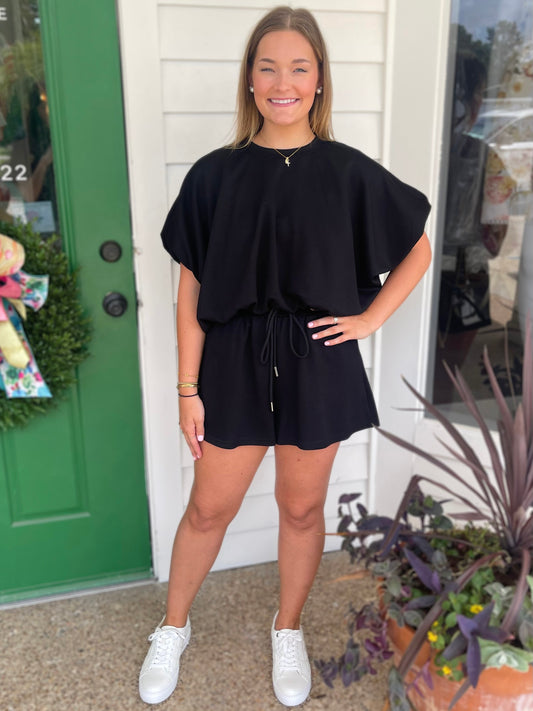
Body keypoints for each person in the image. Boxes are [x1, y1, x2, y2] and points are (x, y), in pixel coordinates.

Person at [139, 5, 431, 707]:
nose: (283, 82)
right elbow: (191, 292)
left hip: (316, 357)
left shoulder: (348, 171)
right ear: (249, 79)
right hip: (231, 360)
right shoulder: (214, 176)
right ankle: (172, 627)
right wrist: (187, 388)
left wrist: (368, 318)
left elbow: (416, 248)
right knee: (208, 507)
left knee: (301, 509)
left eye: (299, 68)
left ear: (319, 79)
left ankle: (288, 627)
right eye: (267, 67)